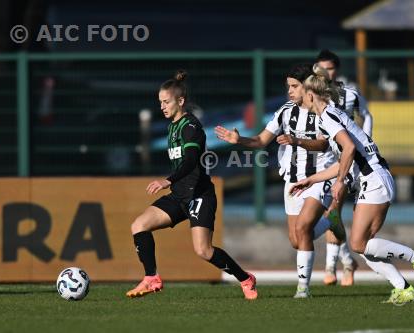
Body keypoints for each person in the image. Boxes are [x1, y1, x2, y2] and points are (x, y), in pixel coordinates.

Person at [290, 66, 414, 304]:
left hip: (374, 179)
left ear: (311, 95)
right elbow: (344, 159)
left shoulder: (327, 117)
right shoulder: (331, 115)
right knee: (365, 247)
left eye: (301, 92)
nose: (298, 97)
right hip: (374, 178)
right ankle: (403, 288)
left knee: (359, 243)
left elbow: (347, 148)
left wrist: (338, 184)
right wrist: (311, 180)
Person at [215, 63, 348, 298]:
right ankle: (331, 221)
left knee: (303, 227)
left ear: (307, 87)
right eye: (288, 86)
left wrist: (296, 140)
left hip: (318, 177)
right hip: (293, 180)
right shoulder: (285, 111)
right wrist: (239, 140)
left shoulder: (324, 109)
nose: (290, 91)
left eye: (294, 86)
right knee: (297, 240)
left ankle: (303, 289)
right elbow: (261, 140)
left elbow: (324, 143)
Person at [126, 71, 257, 300]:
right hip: (179, 196)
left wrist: (167, 180)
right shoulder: (172, 128)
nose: (163, 107)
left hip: (199, 194)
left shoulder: (191, 127)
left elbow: (190, 161)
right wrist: (173, 185)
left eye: (166, 102)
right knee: (139, 226)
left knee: (203, 251)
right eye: (160, 102)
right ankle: (151, 278)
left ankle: (245, 279)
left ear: (181, 101)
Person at [315, 49, 373, 286]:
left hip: (344, 162)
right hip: (320, 164)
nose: (324, 72)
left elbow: (367, 115)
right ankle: (348, 260)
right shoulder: (312, 96)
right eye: (320, 68)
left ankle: (330, 268)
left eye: (329, 68)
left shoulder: (348, 94)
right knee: (328, 215)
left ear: (336, 70)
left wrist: (366, 142)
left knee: (333, 211)